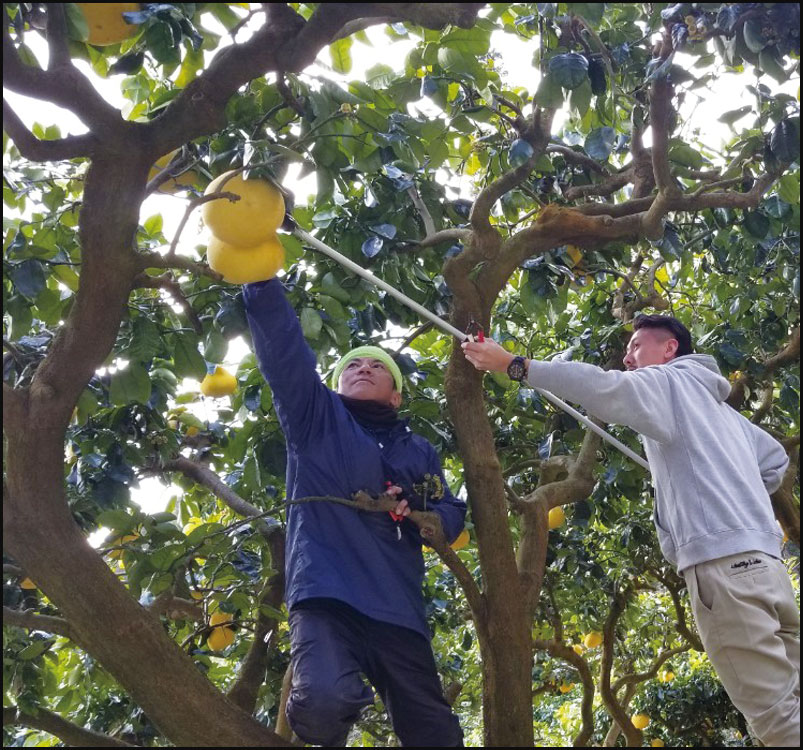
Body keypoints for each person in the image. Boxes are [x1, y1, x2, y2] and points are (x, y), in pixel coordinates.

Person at [462, 314, 799, 747]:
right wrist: (736, 490)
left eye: (636, 346)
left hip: (724, 570)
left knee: (776, 720)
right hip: (769, 568)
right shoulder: (724, 414)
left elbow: (604, 387)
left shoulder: (667, 383)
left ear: (669, 349)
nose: (627, 356)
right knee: (793, 701)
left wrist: (515, 364)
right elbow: (774, 461)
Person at [243, 278, 466, 747]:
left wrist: (432, 520)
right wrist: (259, 279)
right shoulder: (315, 416)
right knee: (323, 703)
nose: (363, 368)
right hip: (327, 591)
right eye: (352, 365)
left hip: (397, 606)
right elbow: (284, 350)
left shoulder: (418, 450)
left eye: (376, 366)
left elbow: (449, 505)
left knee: (436, 734)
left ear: (396, 395)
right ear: (336, 382)